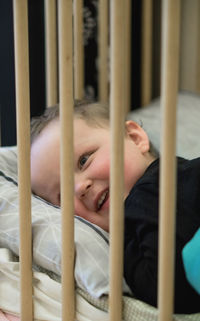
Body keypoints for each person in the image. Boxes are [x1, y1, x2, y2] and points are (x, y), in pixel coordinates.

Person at [30, 101, 200, 314]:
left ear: (136, 138)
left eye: (84, 160)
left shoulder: (147, 191)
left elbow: (169, 290)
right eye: (63, 195)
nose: (80, 187)